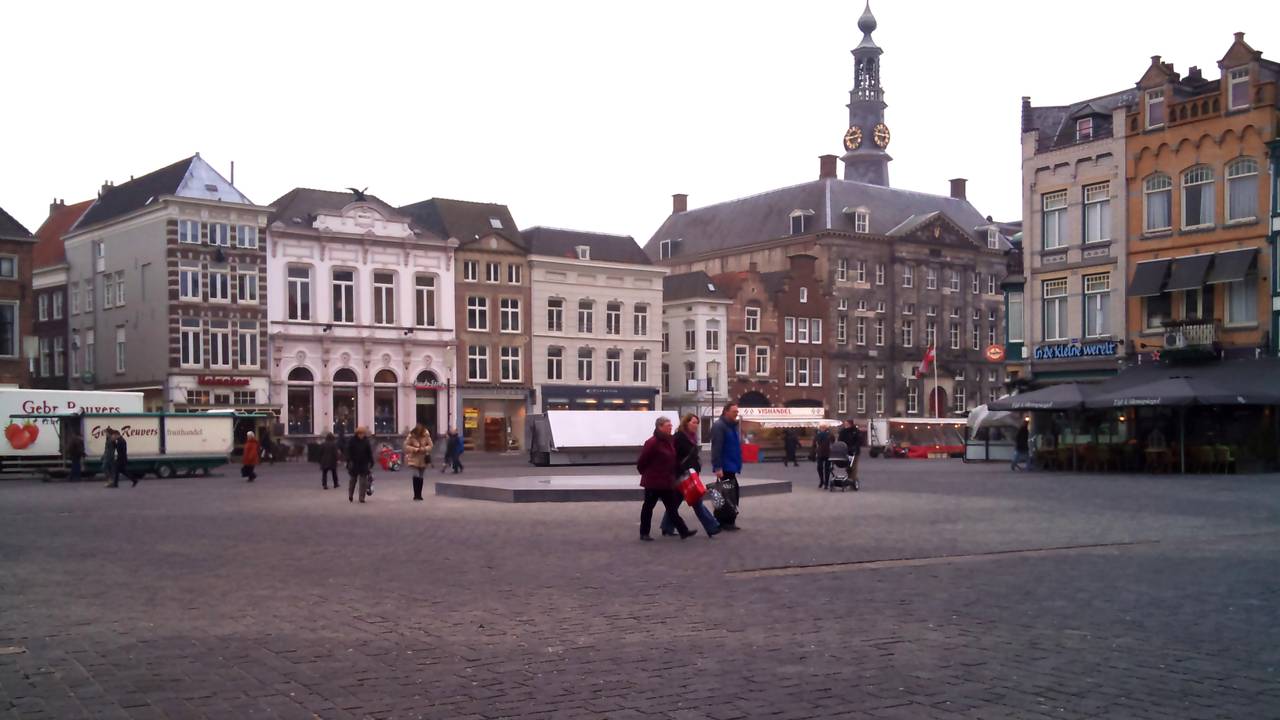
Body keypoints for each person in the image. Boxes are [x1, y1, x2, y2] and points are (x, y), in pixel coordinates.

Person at [636, 416, 696, 541]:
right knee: (648, 507)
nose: (670, 427)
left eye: (671, 425)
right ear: (660, 427)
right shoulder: (652, 442)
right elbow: (642, 462)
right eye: (668, 425)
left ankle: (683, 531)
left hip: (666, 481)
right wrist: (647, 474)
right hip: (653, 482)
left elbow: (672, 459)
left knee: (672, 508)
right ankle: (644, 532)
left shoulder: (669, 441)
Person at [662, 414, 720, 538]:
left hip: (690, 474)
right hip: (683, 475)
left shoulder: (692, 437)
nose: (696, 425)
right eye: (693, 422)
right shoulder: (679, 437)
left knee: (675, 502)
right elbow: (673, 456)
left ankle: (666, 526)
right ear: (686, 423)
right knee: (696, 501)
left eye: (697, 423)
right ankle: (712, 526)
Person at [709, 402, 743, 530]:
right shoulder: (720, 426)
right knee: (727, 494)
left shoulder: (731, 426)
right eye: (734, 411)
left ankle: (724, 520)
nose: (736, 413)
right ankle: (724, 521)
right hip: (725, 466)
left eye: (737, 411)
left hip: (731, 466)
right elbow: (716, 447)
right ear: (726, 412)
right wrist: (718, 467)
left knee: (727, 493)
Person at [404, 425, 433, 501]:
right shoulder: (411, 435)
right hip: (413, 458)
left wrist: (424, 449)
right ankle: (416, 495)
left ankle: (419, 494)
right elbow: (406, 446)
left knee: (421, 476)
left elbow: (430, 445)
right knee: (416, 475)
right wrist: (414, 449)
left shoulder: (426, 434)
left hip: (423, 458)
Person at [347, 426, 375, 503]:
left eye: (363, 434)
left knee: (363, 482)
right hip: (354, 463)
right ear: (357, 434)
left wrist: (371, 461)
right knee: (353, 480)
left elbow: (369, 452)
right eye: (360, 434)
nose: (362, 435)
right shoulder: (352, 441)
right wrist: (349, 461)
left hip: (364, 463)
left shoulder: (366, 441)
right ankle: (350, 495)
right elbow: (348, 452)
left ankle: (361, 498)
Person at [812, 423, 833, 489]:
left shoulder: (826, 434)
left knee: (824, 468)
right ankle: (823, 482)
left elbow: (814, 443)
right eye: (821, 428)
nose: (822, 429)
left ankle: (824, 482)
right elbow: (814, 443)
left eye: (823, 428)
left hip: (824, 453)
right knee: (822, 468)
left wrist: (815, 450)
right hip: (824, 453)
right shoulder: (828, 434)